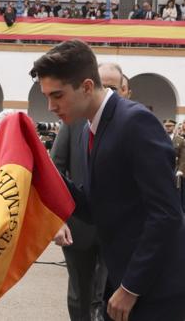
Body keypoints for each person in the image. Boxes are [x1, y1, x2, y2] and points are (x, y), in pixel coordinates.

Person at [32, 39, 185, 321]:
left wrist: (131, 287)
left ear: (87, 87)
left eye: (58, 95)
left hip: (154, 291)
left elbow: (167, 215)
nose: (51, 106)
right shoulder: (91, 127)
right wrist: (41, 168)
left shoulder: (135, 122)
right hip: (123, 279)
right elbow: (94, 207)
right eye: (47, 97)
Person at [52, 61, 131, 321]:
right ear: (90, 87)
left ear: (125, 91)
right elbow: (56, 170)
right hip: (79, 227)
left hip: (116, 228)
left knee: (110, 290)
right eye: (102, 86)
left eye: (113, 88)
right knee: (80, 292)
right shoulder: (74, 123)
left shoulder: (133, 126)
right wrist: (58, 219)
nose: (107, 93)